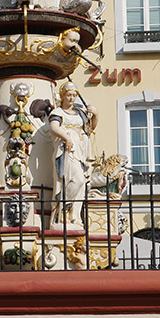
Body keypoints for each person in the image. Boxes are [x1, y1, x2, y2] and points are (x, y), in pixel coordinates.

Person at [49, 82, 98, 229]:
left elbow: (90, 128)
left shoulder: (80, 113)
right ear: (63, 96)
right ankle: (62, 211)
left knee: (82, 183)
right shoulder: (58, 112)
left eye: (74, 95)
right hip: (67, 150)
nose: (71, 98)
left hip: (82, 151)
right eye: (68, 95)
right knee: (74, 180)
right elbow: (54, 127)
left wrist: (95, 114)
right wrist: (67, 137)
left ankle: (74, 216)